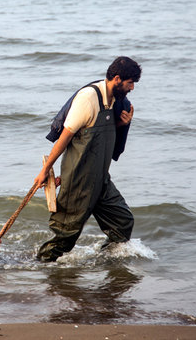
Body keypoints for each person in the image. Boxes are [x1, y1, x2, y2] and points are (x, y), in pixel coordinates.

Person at [34, 56, 141, 262]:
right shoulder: (88, 99)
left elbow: (99, 136)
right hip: (79, 182)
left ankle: (103, 262)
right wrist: (45, 171)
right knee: (65, 237)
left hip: (101, 180)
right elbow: (64, 139)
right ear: (117, 79)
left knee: (123, 223)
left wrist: (122, 125)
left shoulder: (115, 102)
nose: (132, 88)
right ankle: (40, 269)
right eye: (130, 82)